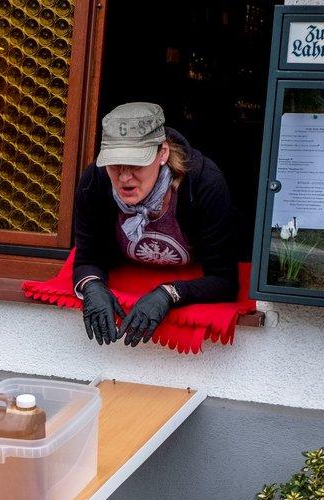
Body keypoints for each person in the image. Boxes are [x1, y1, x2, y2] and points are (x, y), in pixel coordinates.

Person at [73, 101, 240, 347]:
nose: (124, 177)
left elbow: (225, 279)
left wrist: (169, 293)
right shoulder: (94, 182)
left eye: (136, 163)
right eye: (115, 164)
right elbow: (87, 258)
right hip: (129, 277)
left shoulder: (205, 185)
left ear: (163, 153)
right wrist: (92, 287)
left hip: (191, 275)